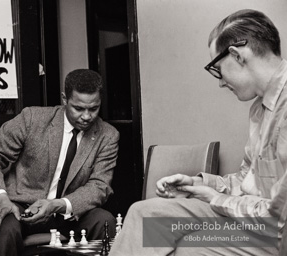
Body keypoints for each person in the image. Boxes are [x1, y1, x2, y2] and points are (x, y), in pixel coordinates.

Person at [110, 9, 287, 256]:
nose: (221, 82)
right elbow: (247, 181)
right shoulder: (259, 109)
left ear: (236, 55)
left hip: (275, 235)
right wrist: (199, 184)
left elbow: (279, 219)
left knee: (188, 247)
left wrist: (214, 198)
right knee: (145, 216)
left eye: (218, 69)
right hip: (251, 220)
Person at [0, 69, 120, 255]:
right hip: (19, 208)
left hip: (68, 212)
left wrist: (56, 205)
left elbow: (100, 186)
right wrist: (1, 199)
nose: (86, 116)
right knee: (3, 225)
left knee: (104, 221)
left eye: (93, 109)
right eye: (79, 108)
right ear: (64, 99)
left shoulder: (108, 135)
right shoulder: (32, 119)